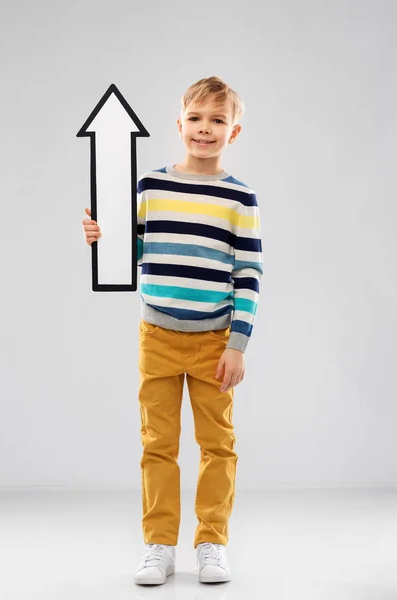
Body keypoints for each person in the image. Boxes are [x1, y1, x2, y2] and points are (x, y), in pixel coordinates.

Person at [82, 76, 264, 586]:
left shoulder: (240, 198)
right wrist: (102, 238)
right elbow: (135, 254)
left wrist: (237, 344)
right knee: (157, 443)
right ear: (179, 123)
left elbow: (248, 275)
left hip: (213, 340)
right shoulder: (150, 186)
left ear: (235, 131)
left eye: (218, 121)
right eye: (196, 119)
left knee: (217, 445)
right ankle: (158, 545)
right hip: (157, 336)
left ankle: (212, 543)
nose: (205, 129)